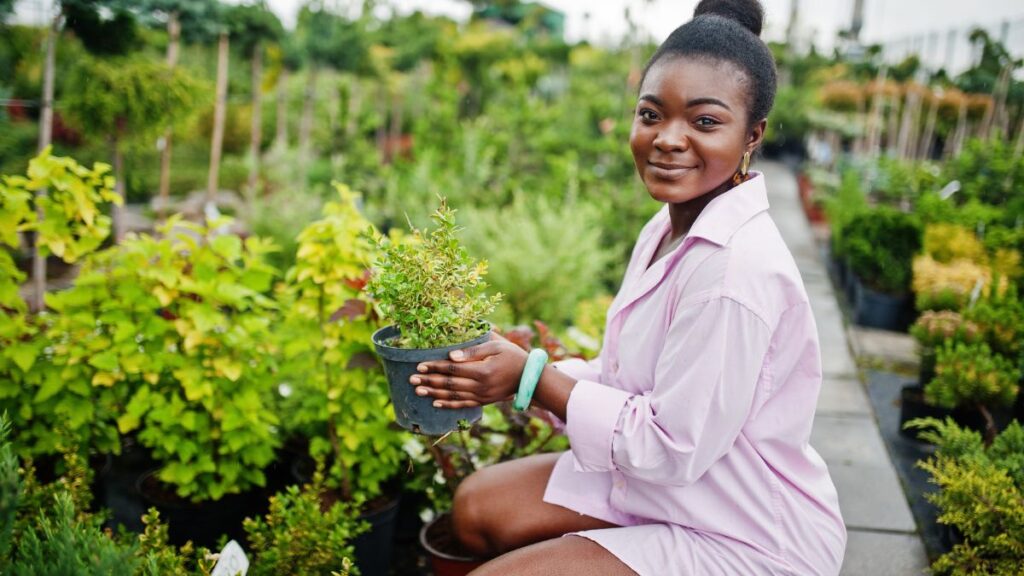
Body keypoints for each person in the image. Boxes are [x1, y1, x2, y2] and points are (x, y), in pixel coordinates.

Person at [410, 0, 847, 573]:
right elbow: (628, 380)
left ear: (752, 136)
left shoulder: (734, 273)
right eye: (651, 114)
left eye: (705, 121)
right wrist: (515, 372)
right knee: (475, 509)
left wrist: (531, 379)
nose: (668, 138)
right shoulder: (667, 227)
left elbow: (667, 446)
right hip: (675, 489)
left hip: (745, 531)